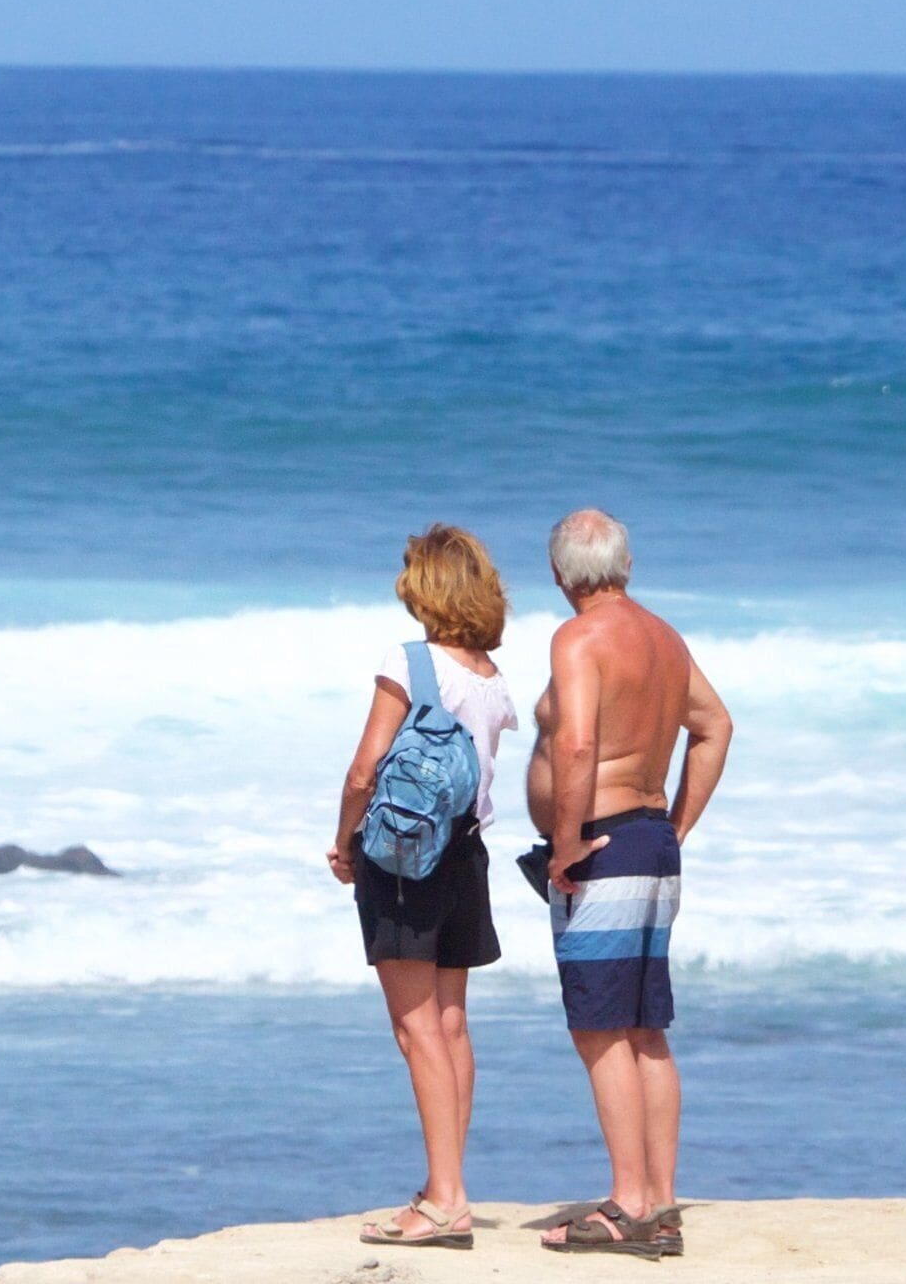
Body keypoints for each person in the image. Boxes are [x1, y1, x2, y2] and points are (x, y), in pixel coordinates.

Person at [527, 509, 733, 1257]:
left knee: (599, 1027)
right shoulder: (665, 638)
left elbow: (578, 742)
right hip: (649, 842)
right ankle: (660, 1201)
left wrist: (567, 843)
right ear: (627, 566)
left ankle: (628, 1202)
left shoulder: (578, 637)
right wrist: (675, 825)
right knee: (644, 1026)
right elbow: (716, 727)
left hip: (603, 849)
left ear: (557, 574)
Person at [328, 525, 521, 1251]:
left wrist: (346, 842)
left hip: (404, 861)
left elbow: (363, 770)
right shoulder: (492, 678)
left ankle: (445, 1201)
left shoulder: (407, 662)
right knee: (449, 1024)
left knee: (416, 1030)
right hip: (466, 857)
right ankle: (450, 1185)